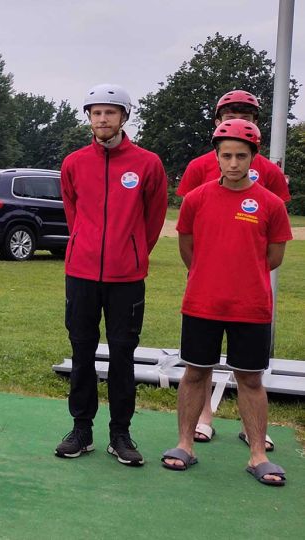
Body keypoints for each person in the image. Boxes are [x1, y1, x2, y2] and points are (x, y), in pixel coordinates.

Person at [161, 120, 291, 487]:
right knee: (195, 372)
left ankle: (257, 455)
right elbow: (187, 248)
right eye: (227, 156)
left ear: (254, 158)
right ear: (216, 157)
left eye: (241, 156)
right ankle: (185, 444)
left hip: (251, 307)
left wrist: (241, 275)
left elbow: (273, 256)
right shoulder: (197, 199)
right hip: (201, 303)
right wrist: (210, 274)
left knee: (250, 379)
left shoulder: (270, 204)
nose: (234, 163)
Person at [55, 84, 167, 467]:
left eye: (110, 112)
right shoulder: (73, 163)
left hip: (126, 277)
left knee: (123, 354)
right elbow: (74, 212)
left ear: (124, 116)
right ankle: (81, 429)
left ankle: (120, 433)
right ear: (88, 117)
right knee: (81, 351)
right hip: (81, 274)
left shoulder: (148, 163)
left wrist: (132, 251)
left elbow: (153, 220)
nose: (102, 119)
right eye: (96, 112)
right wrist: (84, 246)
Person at [177, 90, 291, 203]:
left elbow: (278, 215)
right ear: (218, 123)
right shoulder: (197, 166)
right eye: (230, 118)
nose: (237, 123)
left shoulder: (271, 171)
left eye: (245, 118)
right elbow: (187, 213)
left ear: (255, 123)